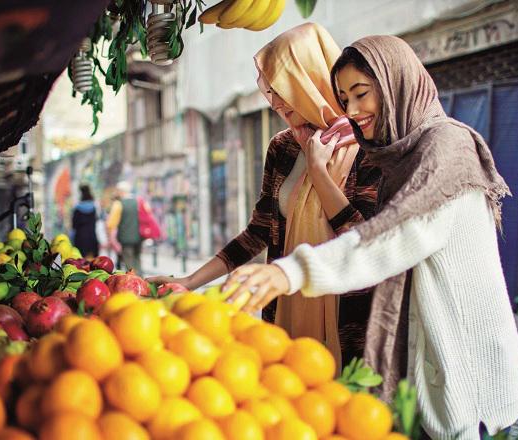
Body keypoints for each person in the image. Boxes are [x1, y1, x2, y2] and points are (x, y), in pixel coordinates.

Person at [224, 36, 518, 439]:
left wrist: (291, 272)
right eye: (344, 97)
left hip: (463, 373)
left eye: (362, 94)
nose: (351, 110)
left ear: (394, 81)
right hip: (424, 370)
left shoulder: (447, 147)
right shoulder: (396, 151)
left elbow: (393, 236)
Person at [148, 23, 380, 367]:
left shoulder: (369, 144)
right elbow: (259, 231)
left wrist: (320, 174)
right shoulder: (283, 147)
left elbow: (363, 238)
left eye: (280, 88)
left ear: (309, 79)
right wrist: (190, 281)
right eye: (268, 90)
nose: (273, 101)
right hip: (282, 312)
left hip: (351, 327)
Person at [106, 181, 143, 274]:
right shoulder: (138, 201)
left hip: (125, 239)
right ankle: (142, 280)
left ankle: (134, 282)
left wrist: (110, 237)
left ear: (121, 191)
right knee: (137, 260)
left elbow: (110, 223)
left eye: (117, 190)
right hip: (139, 237)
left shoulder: (119, 204)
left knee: (129, 263)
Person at [71, 185, 99, 258]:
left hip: (80, 238)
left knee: (80, 260)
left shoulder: (77, 208)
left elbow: (74, 225)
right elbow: (95, 222)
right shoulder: (94, 208)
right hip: (92, 237)